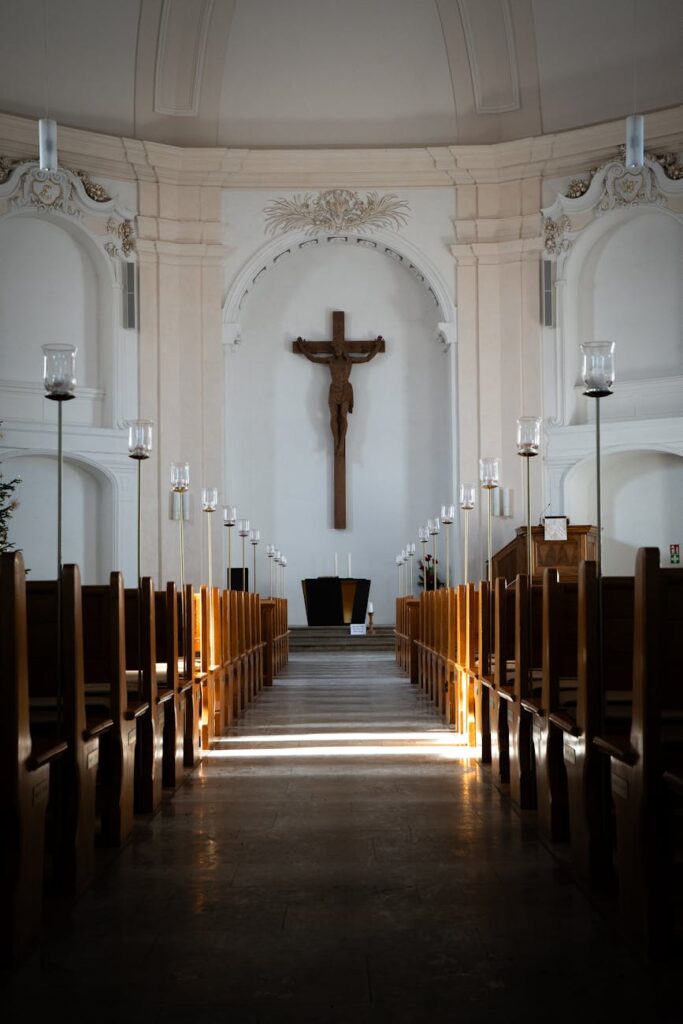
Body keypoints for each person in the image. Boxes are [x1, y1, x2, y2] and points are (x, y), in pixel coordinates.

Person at [294, 333, 384, 454]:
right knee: (333, 416)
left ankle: (341, 442)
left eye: (339, 348)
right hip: (333, 390)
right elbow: (313, 358)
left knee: (343, 415)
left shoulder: (349, 361)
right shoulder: (330, 360)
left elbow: (367, 358)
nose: (337, 350)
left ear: (343, 349)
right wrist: (302, 347)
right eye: (335, 348)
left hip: (345, 390)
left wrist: (377, 346)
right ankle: (336, 439)